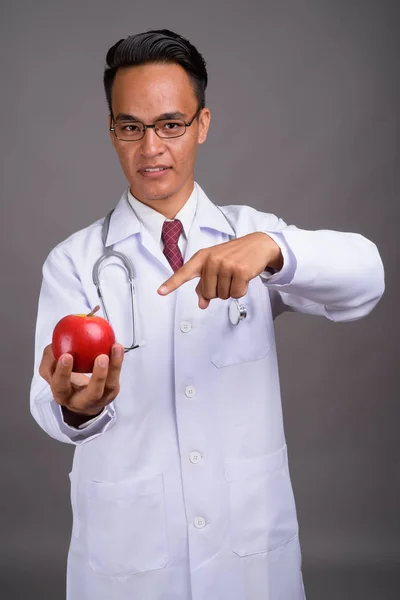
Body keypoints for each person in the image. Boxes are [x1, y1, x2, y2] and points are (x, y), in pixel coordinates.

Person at [30, 29, 385, 600]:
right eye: (131, 127)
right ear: (112, 131)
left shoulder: (250, 234)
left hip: (249, 559)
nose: (151, 148)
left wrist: (273, 248)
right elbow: (47, 405)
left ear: (202, 125)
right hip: (132, 561)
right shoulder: (75, 262)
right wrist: (76, 410)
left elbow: (368, 279)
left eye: (171, 124)